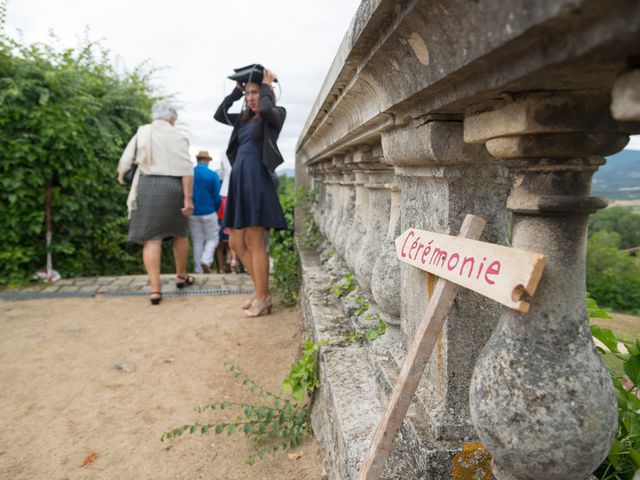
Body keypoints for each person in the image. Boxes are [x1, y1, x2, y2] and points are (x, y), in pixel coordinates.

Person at [214, 67, 286, 317]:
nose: (252, 97)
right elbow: (219, 115)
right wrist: (236, 92)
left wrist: (266, 85)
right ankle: (259, 291)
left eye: (255, 92)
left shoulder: (273, 115)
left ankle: (264, 298)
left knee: (255, 242)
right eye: (249, 93)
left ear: (265, 92)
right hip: (238, 182)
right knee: (235, 241)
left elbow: (266, 109)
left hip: (256, 181)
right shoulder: (244, 120)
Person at [117, 102, 195, 305]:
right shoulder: (178, 136)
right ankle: (180, 276)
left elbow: (125, 162)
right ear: (172, 119)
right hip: (174, 188)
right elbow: (187, 169)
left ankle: (155, 290)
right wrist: (187, 199)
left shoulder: (143, 132)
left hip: (147, 187)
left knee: (152, 240)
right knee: (180, 233)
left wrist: (121, 177)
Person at [190, 150, 221, 274]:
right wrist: (216, 209)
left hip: (193, 212)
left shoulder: (190, 173)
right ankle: (206, 260)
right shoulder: (212, 175)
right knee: (212, 238)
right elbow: (217, 197)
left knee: (197, 240)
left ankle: (198, 270)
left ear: (198, 160)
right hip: (209, 211)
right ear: (207, 161)